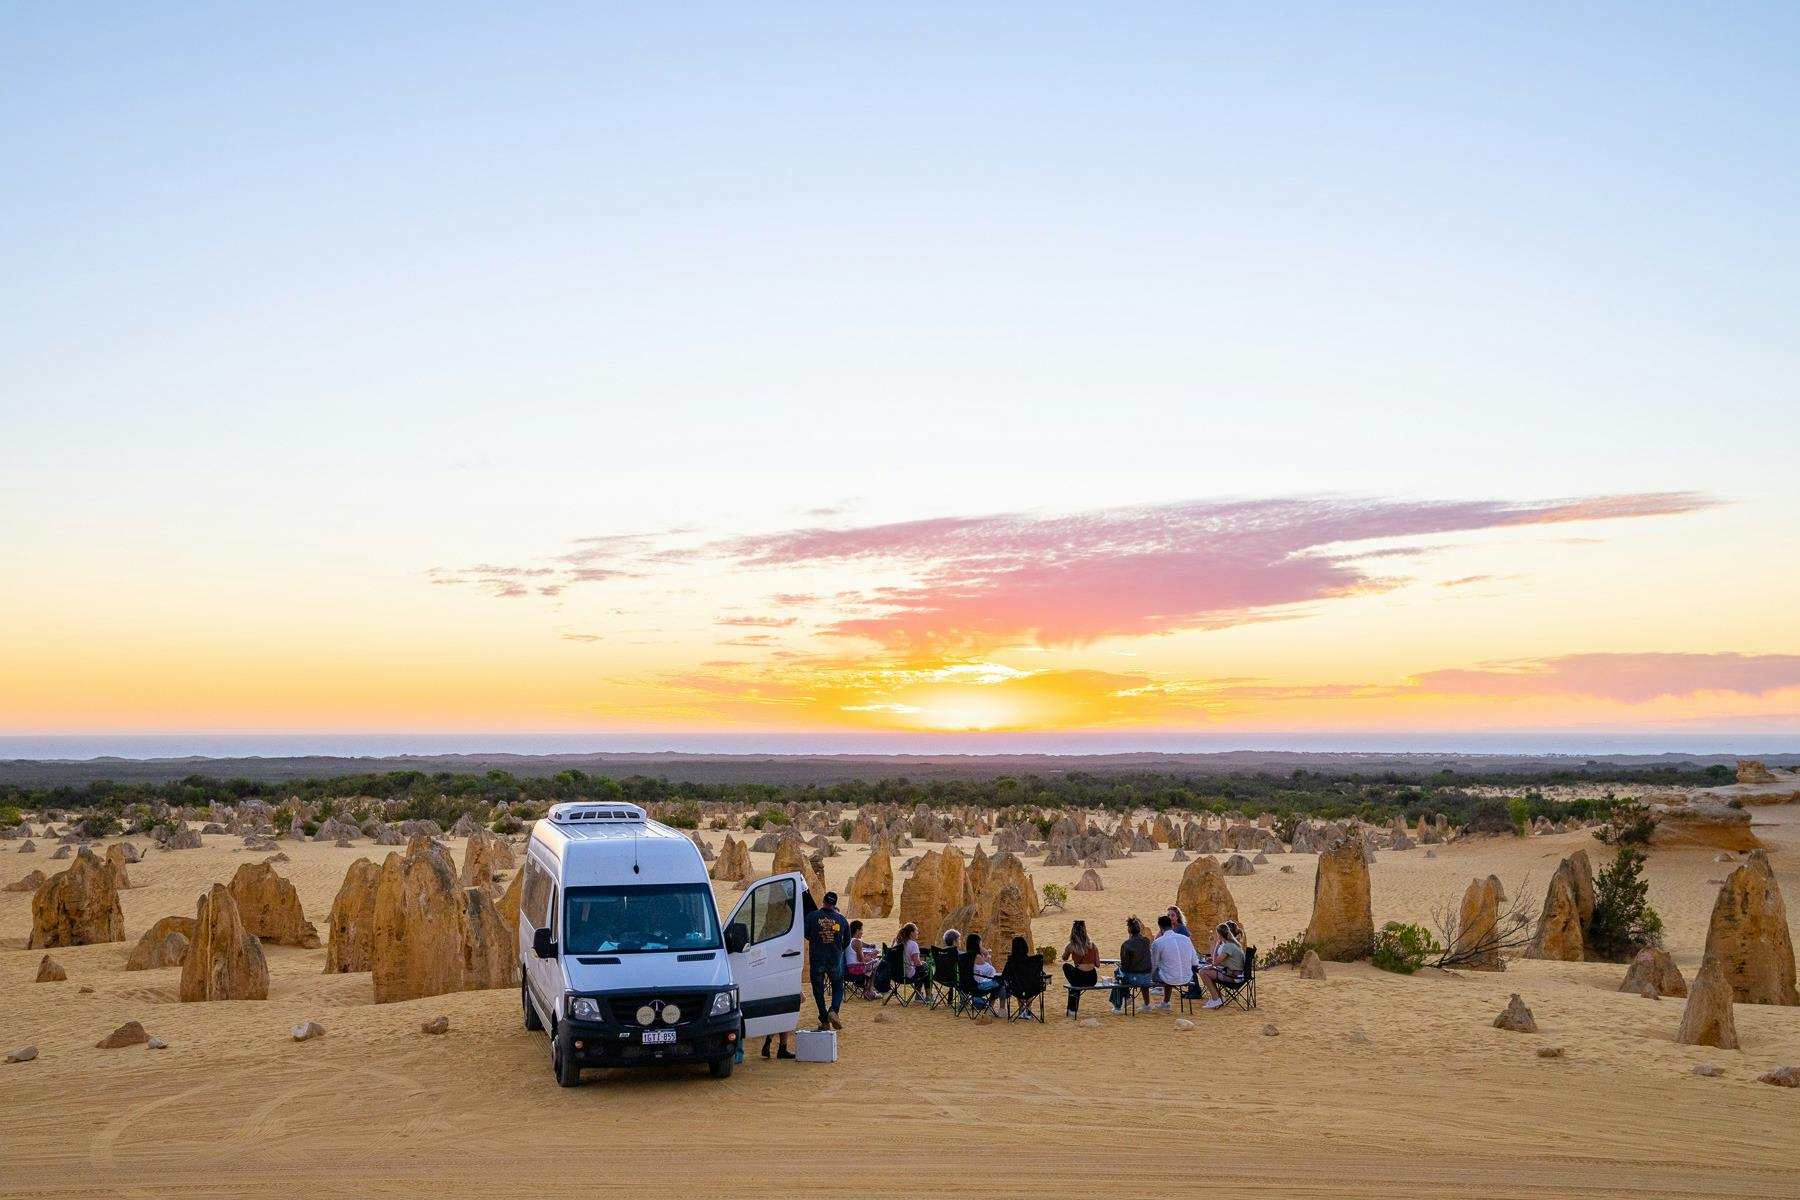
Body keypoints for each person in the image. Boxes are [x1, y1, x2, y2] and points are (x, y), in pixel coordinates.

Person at [804, 890, 849, 1029]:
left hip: (817, 958)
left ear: (823, 901)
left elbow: (806, 934)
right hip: (834, 959)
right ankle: (834, 1010)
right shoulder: (842, 920)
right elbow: (847, 941)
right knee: (838, 986)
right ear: (835, 904)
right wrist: (837, 947)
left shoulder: (812, 916)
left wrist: (817, 940)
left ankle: (824, 1018)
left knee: (818, 990)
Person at [1149, 912, 1199, 1010]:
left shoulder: (1158, 942)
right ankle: (1165, 1002)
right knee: (1168, 969)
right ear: (1172, 925)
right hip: (1187, 977)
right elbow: (1195, 962)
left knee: (1159, 971)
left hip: (1169, 978)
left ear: (1160, 927)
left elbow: (1153, 964)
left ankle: (1149, 1002)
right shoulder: (1186, 939)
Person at [1108, 916, 1153, 1015]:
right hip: (1147, 976)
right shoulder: (1146, 941)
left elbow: (1125, 966)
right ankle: (1146, 1004)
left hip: (1135, 977)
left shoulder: (1126, 945)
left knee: (1117, 974)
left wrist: (1120, 966)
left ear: (1129, 930)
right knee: (1124, 974)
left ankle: (1118, 1006)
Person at [1197, 922, 1247, 1010]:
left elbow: (1215, 962)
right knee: (1204, 970)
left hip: (1234, 977)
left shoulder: (1229, 946)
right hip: (1232, 973)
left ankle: (1216, 998)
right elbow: (1217, 961)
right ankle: (1218, 997)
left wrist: (1215, 944)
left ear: (1220, 935)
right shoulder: (1231, 944)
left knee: (1203, 972)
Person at [1061, 920, 1100, 1018]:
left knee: (1066, 967)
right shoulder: (1093, 946)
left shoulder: (1071, 945)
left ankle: (1072, 1010)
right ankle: (1072, 1009)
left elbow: (1064, 958)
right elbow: (1098, 964)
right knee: (1075, 981)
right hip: (1092, 978)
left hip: (1079, 978)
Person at [1001, 935, 1045, 1021]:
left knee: (1018, 984)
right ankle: (1028, 1010)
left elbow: (1005, 976)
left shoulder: (1011, 963)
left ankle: (1021, 1010)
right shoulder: (1034, 961)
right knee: (1029, 983)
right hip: (1033, 988)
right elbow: (1039, 974)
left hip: (1016, 989)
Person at [967, 933, 1005, 1006]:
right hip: (978, 986)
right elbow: (991, 971)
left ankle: (988, 1005)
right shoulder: (978, 957)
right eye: (980, 942)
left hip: (967, 985)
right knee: (1000, 982)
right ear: (977, 944)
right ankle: (994, 1006)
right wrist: (987, 955)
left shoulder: (965, 956)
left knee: (997, 982)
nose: (982, 944)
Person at [845, 920, 879, 1000]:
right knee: (877, 962)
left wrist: (868, 956)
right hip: (856, 969)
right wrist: (872, 955)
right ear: (857, 930)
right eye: (861, 930)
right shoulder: (857, 942)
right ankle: (870, 990)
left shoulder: (848, 940)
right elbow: (862, 961)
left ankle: (867, 989)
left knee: (871, 967)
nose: (862, 932)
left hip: (848, 969)